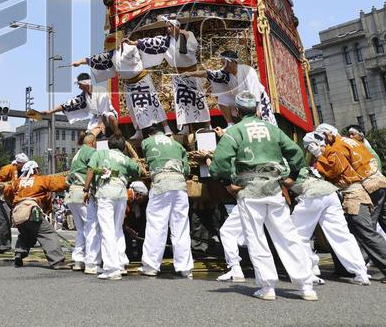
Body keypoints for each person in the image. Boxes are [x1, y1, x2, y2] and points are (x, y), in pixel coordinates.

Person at [210, 92, 317, 302]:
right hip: (274, 189)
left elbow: (220, 163)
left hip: (249, 191)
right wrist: (292, 176)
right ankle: (306, 286)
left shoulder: (235, 131)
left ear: (238, 111)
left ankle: (268, 287)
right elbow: (295, 152)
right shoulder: (272, 129)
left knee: (256, 238)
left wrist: (226, 184)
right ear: (258, 110)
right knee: (287, 235)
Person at [311, 124, 386, 283]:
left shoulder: (337, 147)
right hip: (372, 183)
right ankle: (347, 268)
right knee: (359, 231)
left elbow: (333, 170)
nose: (322, 143)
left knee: (366, 232)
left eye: (321, 139)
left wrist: (319, 155)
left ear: (328, 134)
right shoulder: (353, 143)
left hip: (356, 192)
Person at [292, 133, 370, 285]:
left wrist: (318, 154)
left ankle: (310, 271)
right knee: (341, 234)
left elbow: (333, 169)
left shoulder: (328, 152)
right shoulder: (328, 150)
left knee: (297, 234)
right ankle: (361, 272)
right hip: (331, 194)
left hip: (314, 194)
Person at [137, 124, 193, 279]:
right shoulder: (177, 144)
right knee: (181, 226)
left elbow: (148, 162)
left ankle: (151, 266)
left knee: (157, 225)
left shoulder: (147, 142)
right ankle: (185, 268)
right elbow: (187, 170)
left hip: (161, 184)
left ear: (149, 135)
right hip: (180, 186)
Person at [85, 135, 142, 280]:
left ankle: (111, 269)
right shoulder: (126, 158)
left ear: (108, 145)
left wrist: (86, 189)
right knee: (117, 229)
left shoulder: (100, 154)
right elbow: (138, 171)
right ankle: (121, 263)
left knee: (107, 230)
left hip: (105, 194)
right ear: (124, 147)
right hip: (121, 195)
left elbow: (91, 170)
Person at [4, 160, 69, 269]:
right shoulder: (41, 180)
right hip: (31, 210)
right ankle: (57, 261)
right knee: (48, 233)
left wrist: (13, 203)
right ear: (35, 170)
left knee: (26, 233)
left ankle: (19, 253)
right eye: (38, 169)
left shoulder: (16, 182)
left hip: (17, 212)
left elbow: (7, 192)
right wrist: (70, 180)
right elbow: (59, 184)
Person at [182, 50, 274, 126]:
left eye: (224, 63)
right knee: (222, 98)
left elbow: (254, 92)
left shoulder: (248, 71)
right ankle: (230, 124)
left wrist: (257, 109)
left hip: (258, 100)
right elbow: (208, 73)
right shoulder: (226, 74)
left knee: (268, 124)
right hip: (242, 100)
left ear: (232, 62)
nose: (223, 66)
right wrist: (190, 74)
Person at [43, 73, 119, 138]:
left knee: (111, 117)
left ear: (85, 83)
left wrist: (102, 124)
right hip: (96, 119)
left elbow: (104, 110)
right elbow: (67, 104)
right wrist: (51, 111)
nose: (79, 87)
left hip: (107, 115)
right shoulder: (83, 97)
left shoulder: (100, 90)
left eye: (80, 84)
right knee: (87, 136)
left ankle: (117, 136)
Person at [66, 134, 99, 273]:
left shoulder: (77, 153)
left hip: (72, 193)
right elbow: (92, 170)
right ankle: (91, 262)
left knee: (81, 229)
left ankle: (78, 260)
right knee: (91, 228)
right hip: (82, 193)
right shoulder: (91, 152)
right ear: (93, 142)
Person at [0, 153, 29, 253]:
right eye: (23, 164)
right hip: (2, 198)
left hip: (13, 199)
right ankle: (2, 246)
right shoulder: (8, 168)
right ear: (18, 163)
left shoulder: (23, 171)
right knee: (3, 222)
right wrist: (7, 185)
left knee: (7, 222)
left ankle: (2, 245)